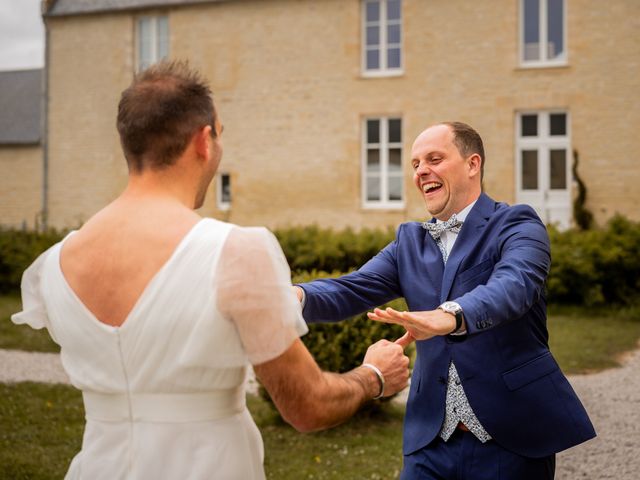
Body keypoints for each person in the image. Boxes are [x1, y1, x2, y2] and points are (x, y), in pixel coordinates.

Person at [11, 60, 411, 480]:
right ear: (204, 141)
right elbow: (308, 406)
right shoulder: (234, 251)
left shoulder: (53, 264)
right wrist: (373, 376)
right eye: (220, 136)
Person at [294, 122, 596, 479]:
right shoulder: (409, 242)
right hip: (430, 443)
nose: (422, 171)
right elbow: (351, 288)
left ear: (473, 164)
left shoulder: (518, 224)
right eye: (415, 164)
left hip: (512, 440)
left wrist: (451, 314)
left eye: (434, 159)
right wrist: (290, 297)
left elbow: (515, 285)